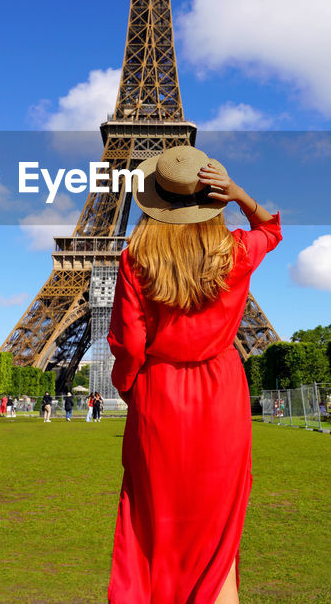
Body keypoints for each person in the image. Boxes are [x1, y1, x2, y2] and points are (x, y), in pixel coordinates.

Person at [107, 145, 281, 604]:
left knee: (154, 522)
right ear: (211, 198)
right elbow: (270, 228)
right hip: (222, 394)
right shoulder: (237, 251)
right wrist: (241, 196)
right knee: (218, 535)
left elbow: (128, 343)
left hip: (158, 394)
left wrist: (132, 389)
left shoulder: (135, 259)